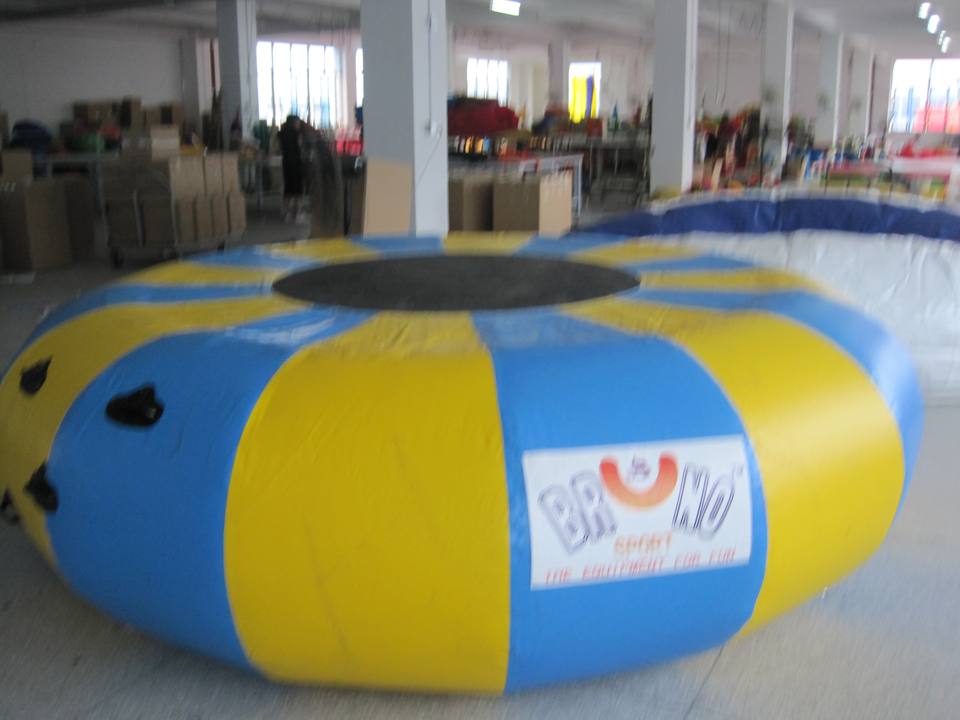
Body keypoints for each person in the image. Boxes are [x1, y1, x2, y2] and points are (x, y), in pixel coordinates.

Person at [279, 114, 305, 222]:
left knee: (288, 188)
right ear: (294, 123)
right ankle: (298, 213)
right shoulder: (297, 133)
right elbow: (300, 146)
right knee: (298, 189)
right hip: (296, 163)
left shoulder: (281, 133)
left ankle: (286, 213)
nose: (299, 124)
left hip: (286, 163)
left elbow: (279, 148)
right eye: (298, 122)